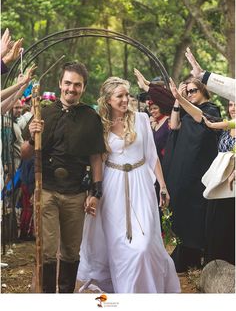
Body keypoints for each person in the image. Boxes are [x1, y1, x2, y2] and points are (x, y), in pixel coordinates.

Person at [77, 77, 180, 293]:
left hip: (141, 184)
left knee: (143, 246)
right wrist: (94, 193)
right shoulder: (100, 125)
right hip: (112, 187)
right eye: (119, 96)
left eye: (127, 95)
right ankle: (126, 294)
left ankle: (148, 291)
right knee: (120, 247)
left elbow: (152, 156)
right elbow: (97, 161)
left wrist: (162, 185)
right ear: (107, 100)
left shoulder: (141, 119)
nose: (125, 100)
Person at [21, 61, 106, 293]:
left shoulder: (90, 117)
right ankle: (49, 300)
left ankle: (65, 299)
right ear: (60, 84)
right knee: (47, 251)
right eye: (67, 83)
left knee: (70, 251)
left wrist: (96, 193)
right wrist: (31, 135)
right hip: (46, 191)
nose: (71, 88)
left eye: (77, 85)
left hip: (76, 194)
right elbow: (25, 154)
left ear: (83, 88)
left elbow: (96, 158)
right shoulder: (43, 113)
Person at [166, 78, 221, 272]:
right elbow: (174, 126)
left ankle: (196, 256)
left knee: (197, 213)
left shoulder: (211, 109)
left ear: (204, 90)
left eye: (193, 90)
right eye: (187, 92)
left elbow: (201, 118)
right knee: (183, 211)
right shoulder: (187, 108)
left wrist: (181, 99)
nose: (190, 94)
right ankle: (185, 253)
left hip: (200, 172)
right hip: (184, 172)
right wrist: (176, 101)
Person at [203, 101, 235, 265]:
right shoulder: (225, 127)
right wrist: (178, 98)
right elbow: (199, 115)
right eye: (230, 104)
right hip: (219, 183)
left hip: (233, 186)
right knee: (216, 224)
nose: (233, 108)